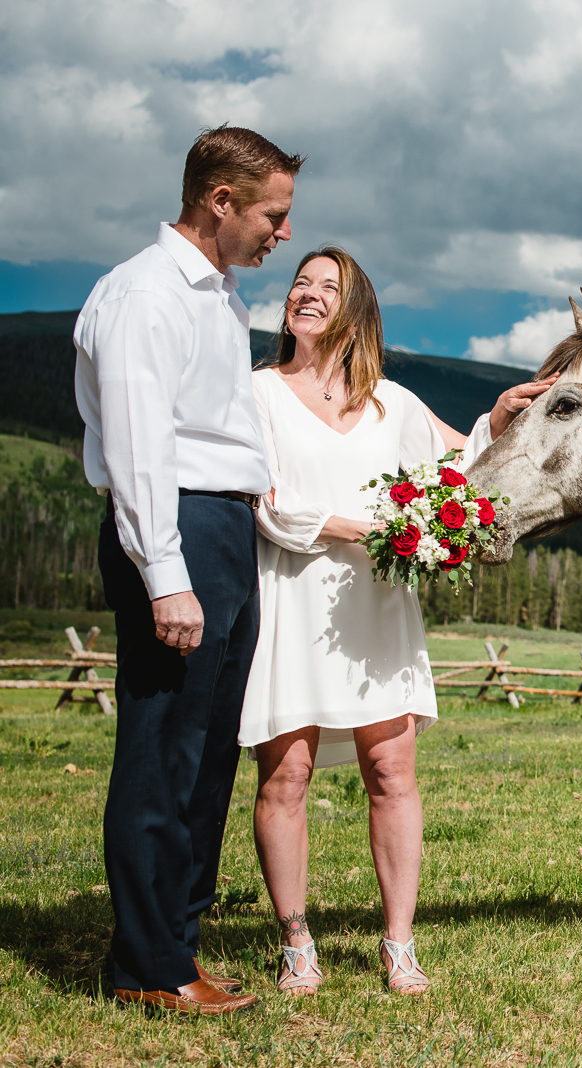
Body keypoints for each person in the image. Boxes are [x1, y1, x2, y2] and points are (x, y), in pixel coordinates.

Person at [241, 246, 556, 996]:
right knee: (286, 776)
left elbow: (460, 462)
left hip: (378, 607)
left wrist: (499, 418)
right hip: (292, 600)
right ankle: (296, 942)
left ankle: (399, 943)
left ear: (356, 312)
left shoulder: (392, 402)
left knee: (394, 771)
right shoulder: (256, 393)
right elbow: (265, 501)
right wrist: (364, 530)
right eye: (300, 283)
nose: (307, 295)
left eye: (328, 287)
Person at [74, 125, 302, 1015]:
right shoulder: (142, 295)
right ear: (221, 202)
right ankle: (145, 965)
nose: (281, 233)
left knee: (210, 750)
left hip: (222, 527)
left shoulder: (219, 294)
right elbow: (138, 447)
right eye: (273, 216)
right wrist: (164, 573)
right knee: (162, 747)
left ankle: (180, 942)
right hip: (174, 528)